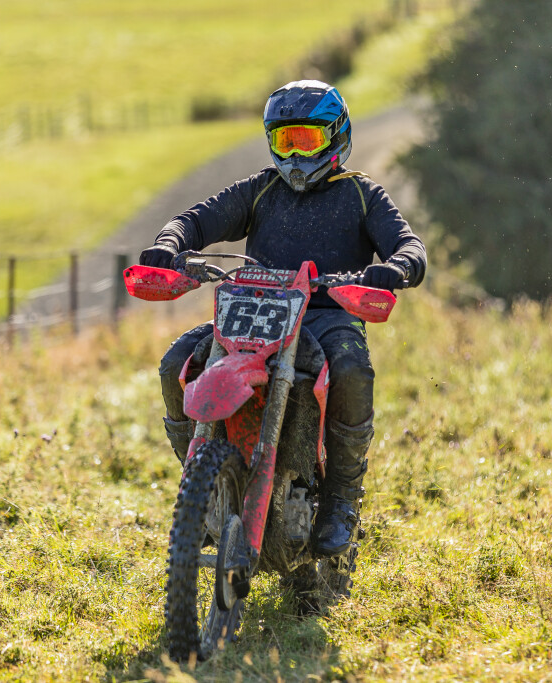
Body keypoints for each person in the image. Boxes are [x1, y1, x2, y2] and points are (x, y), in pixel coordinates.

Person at [140, 80, 427, 557]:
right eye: (284, 140)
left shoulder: (362, 195)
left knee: (353, 369)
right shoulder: (260, 190)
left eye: (306, 140)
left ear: (336, 137)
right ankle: (204, 487)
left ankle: (341, 502)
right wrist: (170, 242)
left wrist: (396, 267)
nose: (294, 154)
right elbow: (197, 219)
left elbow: (409, 245)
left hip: (328, 315)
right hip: (253, 314)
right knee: (175, 364)